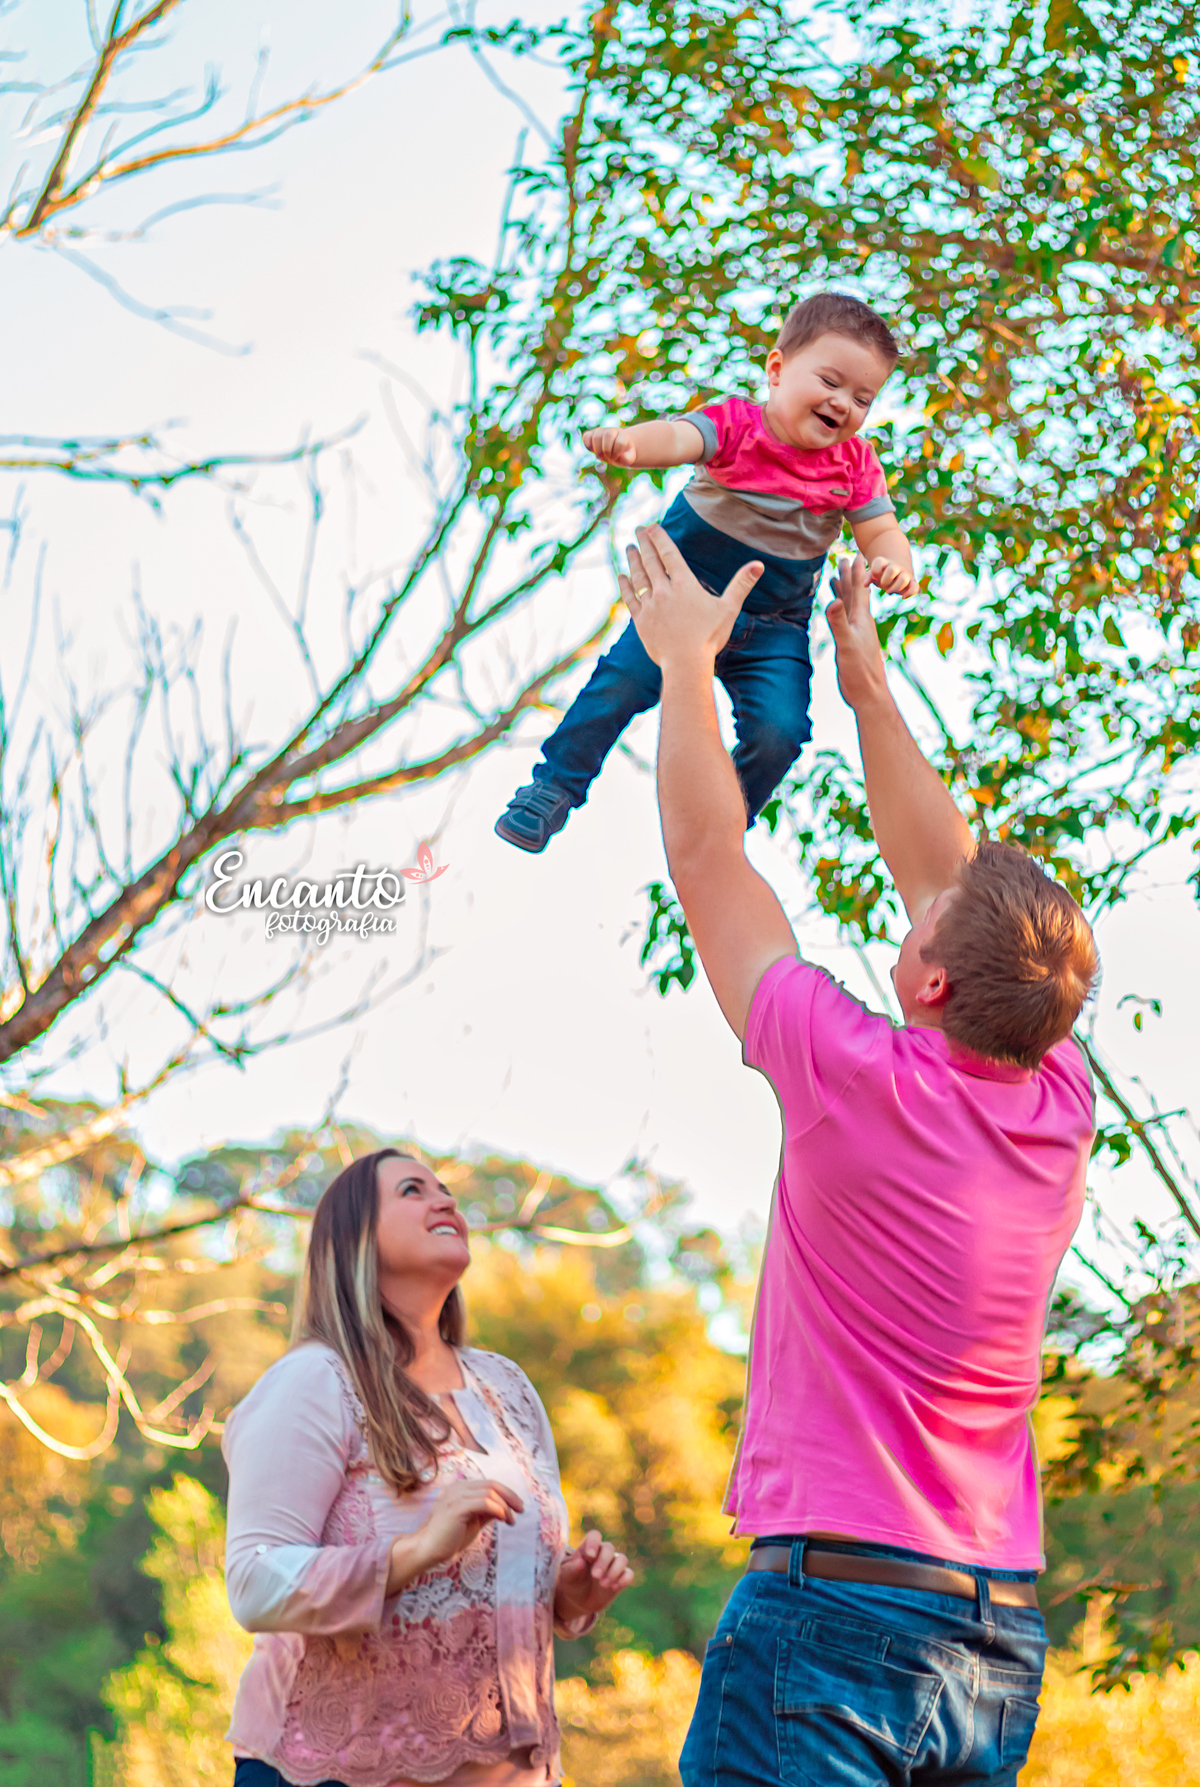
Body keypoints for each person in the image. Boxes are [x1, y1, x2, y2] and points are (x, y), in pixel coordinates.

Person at [618, 528, 1099, 1787]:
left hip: (834, 1619)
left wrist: (684, 667)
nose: (919, 895)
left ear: (934, 981)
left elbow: (708, 858)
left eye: (924, 918)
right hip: (993, 1633)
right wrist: (866, 683)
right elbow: (959, 883)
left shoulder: (852, 1076)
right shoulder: (1057, 1095)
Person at [222, 1149, 633, 1787]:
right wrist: (414, 1551)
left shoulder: (508, 1388)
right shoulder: (312, 1381)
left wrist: (565, 1594)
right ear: (356, 1239)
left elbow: (491, 1583)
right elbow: (253, 1581)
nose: (446, 1201)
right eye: (413, 1190)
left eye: (445, 1190)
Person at [495, 292, 916, 854]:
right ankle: (553, 787)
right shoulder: (737, 424)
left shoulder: (855, 465)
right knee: (617, 685)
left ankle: (722, 827)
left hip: (773, 628)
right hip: (682, 603)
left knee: (781, 732)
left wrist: (894, 562)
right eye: (830, 382)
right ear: (777, 369)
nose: (843, 404)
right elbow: (676, 437)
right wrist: (631, 444)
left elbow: (881, 528)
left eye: (862, 398)